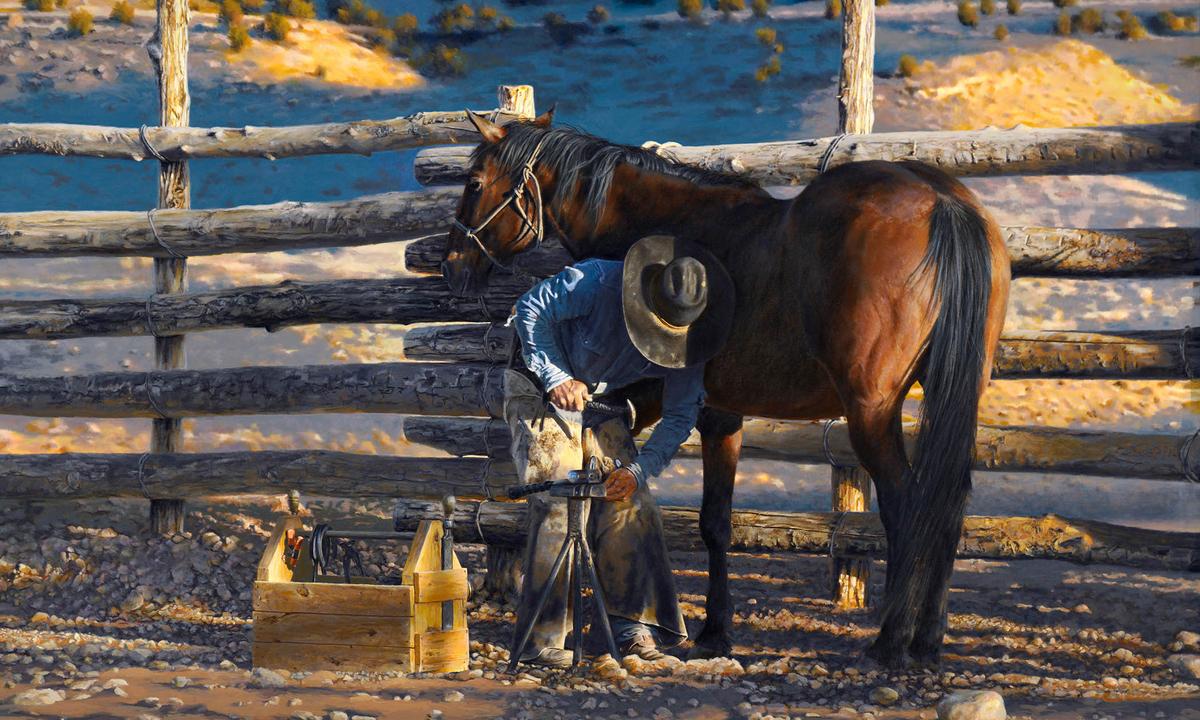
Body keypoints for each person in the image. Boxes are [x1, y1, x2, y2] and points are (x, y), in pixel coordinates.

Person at [505, 235, 735, 668]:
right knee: (559, 496)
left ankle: (629, 628)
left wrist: (639, 469)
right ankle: (545, 638)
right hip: (536, 388)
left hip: (598, 406)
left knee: (631, 500)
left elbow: (681, 413)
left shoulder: (696, 334)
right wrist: (555, 376)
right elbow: (530, 309)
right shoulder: (595, 281)